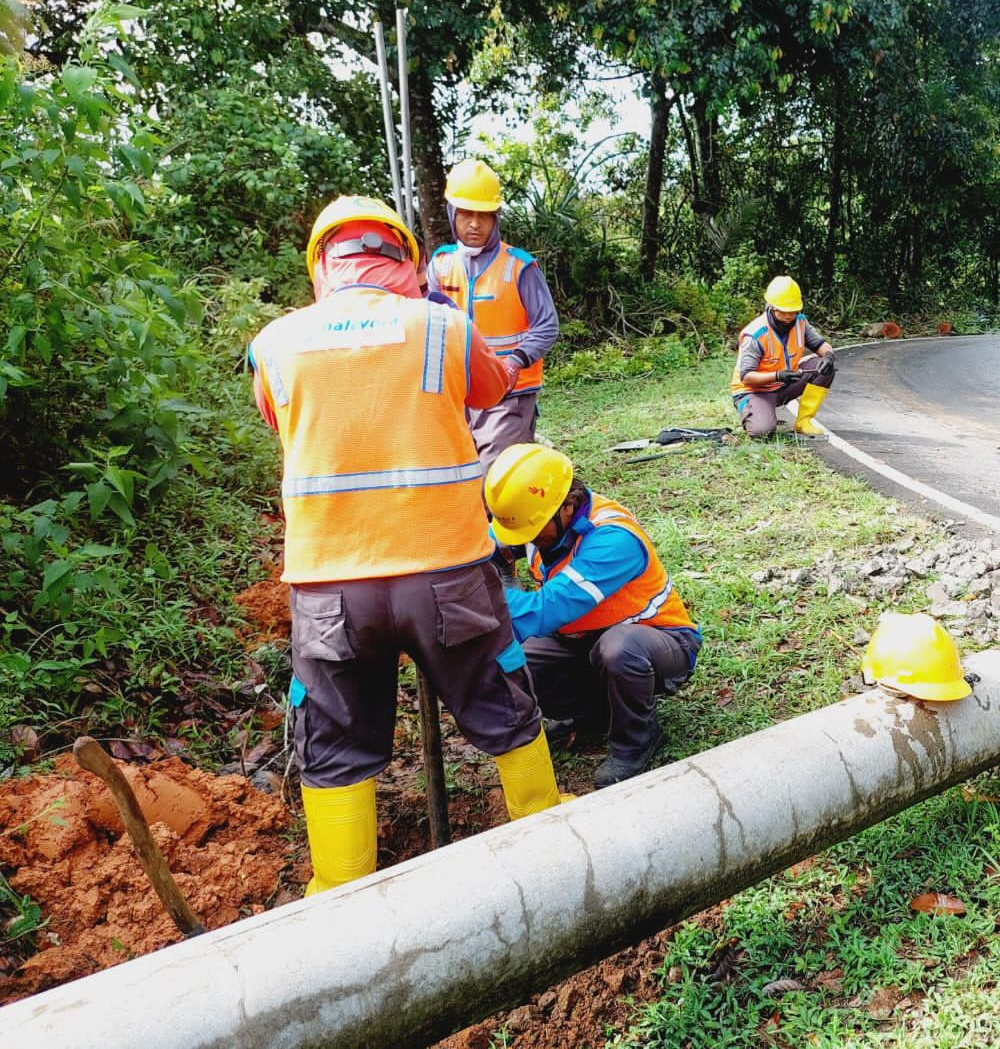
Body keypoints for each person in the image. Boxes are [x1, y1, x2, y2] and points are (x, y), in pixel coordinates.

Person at [249, 196, 567, 896]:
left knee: (332, 736)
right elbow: (491, 388)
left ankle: (338, 886)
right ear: (409, 259)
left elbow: (279, 417)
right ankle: (546, 836)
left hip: (331, 584)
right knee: (500, 698)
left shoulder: (273, 343)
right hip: (445, 571)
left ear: (320, 264)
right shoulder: (440, 327)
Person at [483, 444, 701, 788]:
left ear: (567, 507)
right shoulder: (534, 516)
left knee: (618, 649)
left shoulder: (612, 540)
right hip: (581, 639)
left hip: (656, 640)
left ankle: (637, 741)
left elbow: (543, 612)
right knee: (519, 662)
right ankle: (596, 715)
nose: (524, 542)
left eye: (530, 534)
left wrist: (487, 600)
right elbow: (488, 544)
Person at [427, 158, 560, 468]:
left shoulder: (519, 266)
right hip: (458, 394)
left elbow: (547, 325)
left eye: (484, 215)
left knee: (494, 475)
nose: (475, 224)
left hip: (508, 397)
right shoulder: (441, 266)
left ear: (496, 218)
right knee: (456, 474)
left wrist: (515, 362)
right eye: (466, 215)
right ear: (452, 214)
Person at [730, 275, 837, 438]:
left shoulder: (800, 322)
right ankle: (755, 412)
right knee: (762, 432)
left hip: (784, 384)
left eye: (793, 311)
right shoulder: (755, 335)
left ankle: (804, 421)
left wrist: (829, 356)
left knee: (824, 367)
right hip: (754, 390)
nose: (789, 316)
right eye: (784, 312)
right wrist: (777, 376)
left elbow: (821, 345)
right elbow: (747, 377)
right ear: (771, 307)